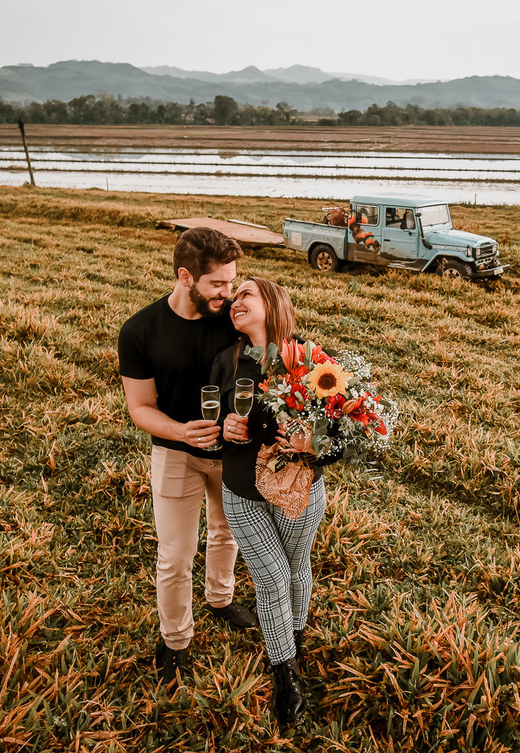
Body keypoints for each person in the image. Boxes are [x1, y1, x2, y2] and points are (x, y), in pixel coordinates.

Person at [117, 226, 257, 695]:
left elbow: (274, 355)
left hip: (233, 454)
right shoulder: (140, 331)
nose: (227, 293)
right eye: (217, 283)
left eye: (232, 281)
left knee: (226, 532)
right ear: (185, 277)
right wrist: (180, 431)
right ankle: (175, 640)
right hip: (176, 453)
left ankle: (220, 599)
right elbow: (140, 407)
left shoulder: (233, 320)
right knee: (175, 555)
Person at [211, 277, 337, 727]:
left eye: (245, 293)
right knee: (273, 578)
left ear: (272, 303)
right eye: (233, 297)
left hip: (299, 491)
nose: (235, 301)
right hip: (242, 491)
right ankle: (285, 672)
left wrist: (311, 443)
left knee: (298, 565)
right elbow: (210, 425)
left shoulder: (313, 360)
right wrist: (222, 429)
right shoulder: (225, 362)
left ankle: (294, 640)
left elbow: (340, 439)